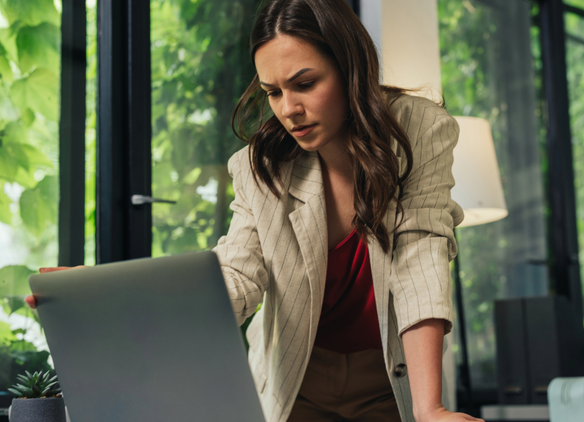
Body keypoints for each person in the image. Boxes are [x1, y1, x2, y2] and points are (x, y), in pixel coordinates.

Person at [28, 1, 481, 421]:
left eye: (305, 84)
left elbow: (421, 255)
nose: (290, 110)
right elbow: (237, 276)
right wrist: (108, 303)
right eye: (273, 92)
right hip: (296, 379)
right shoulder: (259, 167)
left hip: (387, 374)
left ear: (350, 69)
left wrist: (430, 410)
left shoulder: (419, 130)